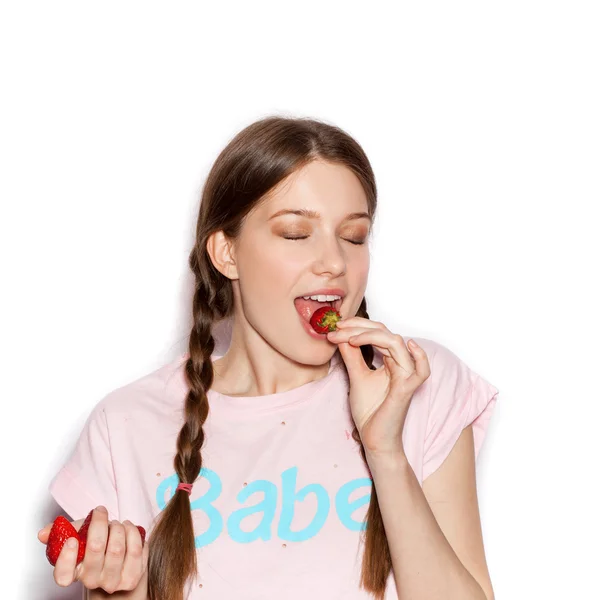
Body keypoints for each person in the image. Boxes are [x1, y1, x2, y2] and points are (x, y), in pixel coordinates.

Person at [38, 115, 499, 600]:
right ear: (226, 253)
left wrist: (385, 450)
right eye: (297, 234)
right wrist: (115, 592)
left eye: (354, 236)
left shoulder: (418, 384)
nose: (335, 262)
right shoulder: (126, 424)